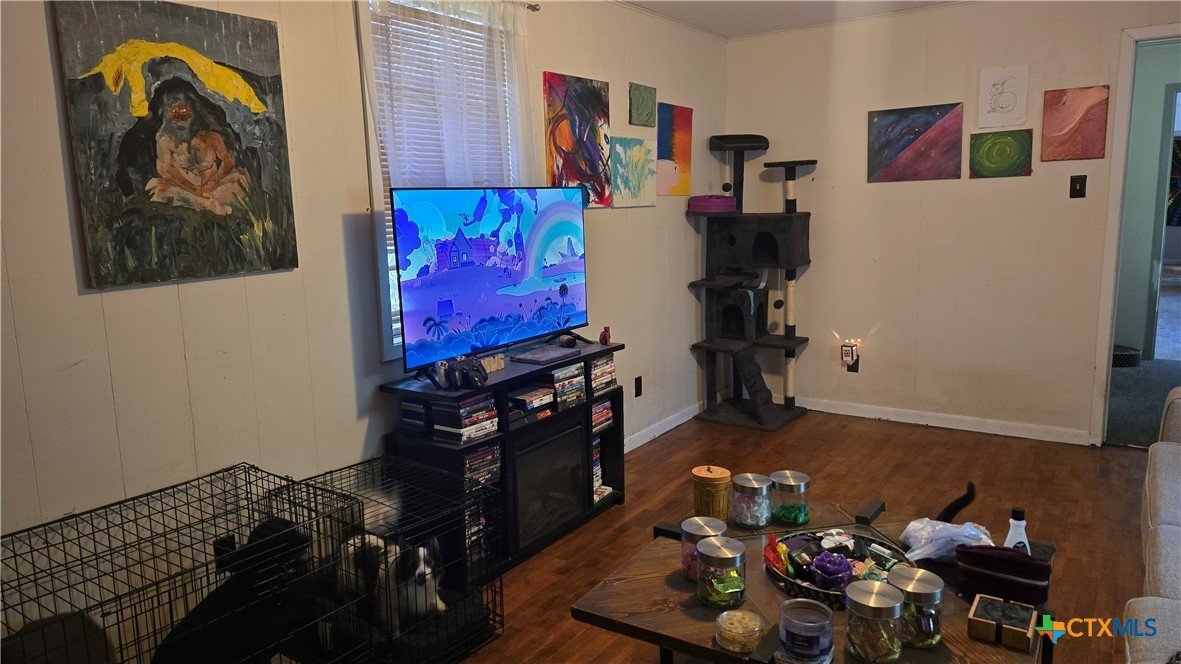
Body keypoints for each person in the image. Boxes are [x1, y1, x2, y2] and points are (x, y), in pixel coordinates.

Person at [146, 98, 248, 215]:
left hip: (213, 188)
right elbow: (165, 171)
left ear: (195, 117)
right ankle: (207, 205)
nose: (180, 122)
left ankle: (202, 202)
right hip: (184, 188)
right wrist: (191, 186)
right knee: (155, 187)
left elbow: (228, 162)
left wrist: (212, 182)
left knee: (241, 180)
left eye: (186, 117)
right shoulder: (165, 141)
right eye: (176, 117)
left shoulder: (211, 137)